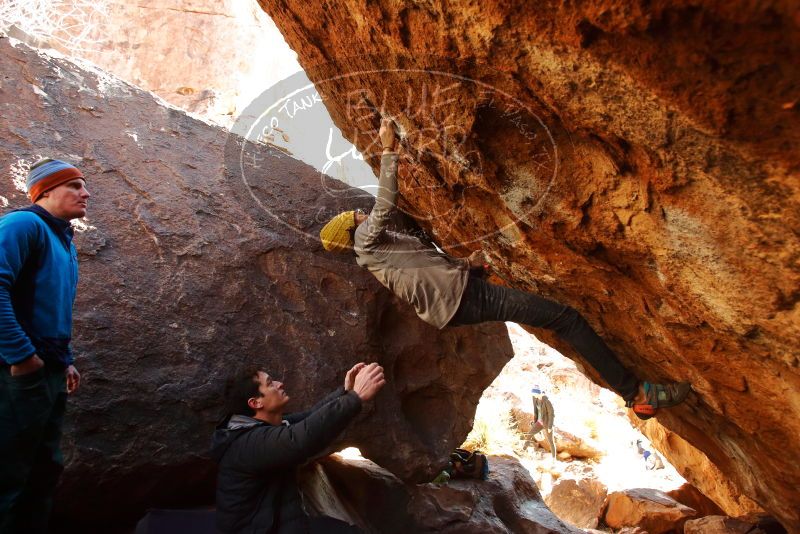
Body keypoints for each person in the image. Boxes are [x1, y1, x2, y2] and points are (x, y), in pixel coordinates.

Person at [319, 119, 690, 420]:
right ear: (351, 230)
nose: (360, 212)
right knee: (566, 319)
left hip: (458, 298)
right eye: (354, 216)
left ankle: (633, 392)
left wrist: (468, 264)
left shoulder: (378, 251)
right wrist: (388, 149)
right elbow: (385, 203)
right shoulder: (366, 240)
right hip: (463, 299)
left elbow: (426, 264)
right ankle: (636, 393)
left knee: (557, 318)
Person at [0, 158, 89, 533]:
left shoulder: (65, 242)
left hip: (48, 372)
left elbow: (51, 309)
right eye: (75, 186)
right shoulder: (23, 224)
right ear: (46, 191)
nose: (86, 193)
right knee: (7, 474)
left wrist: (62, 360)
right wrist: (22, 356)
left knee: (44, 469)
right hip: (15, 373)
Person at [211, 362, 386, 534]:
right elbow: (301, 439)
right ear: (255, 403)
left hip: (278, 523)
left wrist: (345, 392)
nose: (280, 384)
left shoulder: (264, 428)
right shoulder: (249, 444)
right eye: (271, 383)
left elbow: (309, 418)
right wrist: (355, 397)